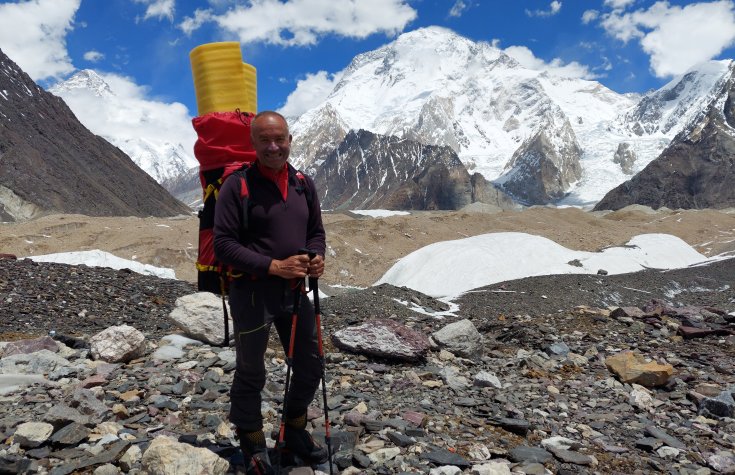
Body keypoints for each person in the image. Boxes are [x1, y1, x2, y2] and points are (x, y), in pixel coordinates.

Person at [213, 111, 328, 474]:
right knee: (251, 371)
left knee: (310, 365)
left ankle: (293, 430)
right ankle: (252, 443)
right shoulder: (238, 185)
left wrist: (316, 256)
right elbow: (224, 245)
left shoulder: (302, 184)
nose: (273, 146)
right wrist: (273, 266)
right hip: (251, 294)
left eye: (279, 139)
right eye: (265, 139)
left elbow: (316, 232)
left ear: (290, 139)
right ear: (253, 143)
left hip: (294, 293)